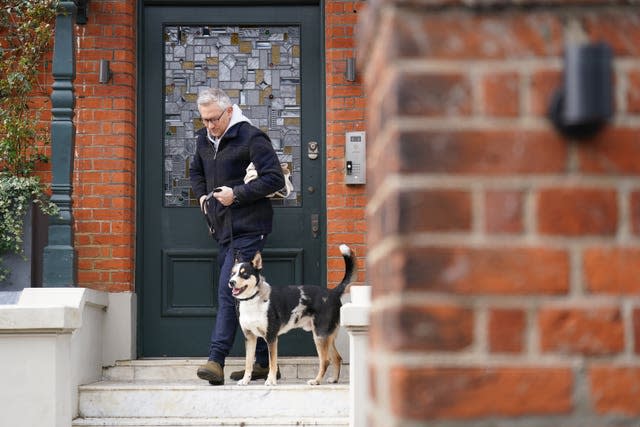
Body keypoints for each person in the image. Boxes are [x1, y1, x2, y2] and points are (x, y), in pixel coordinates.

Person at [189, 87, 285, 385]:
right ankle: (261, 364)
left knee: (228, 290)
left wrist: (237, 195)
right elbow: (196, 172)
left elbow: (274, 179)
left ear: (229, 112)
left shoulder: (251, 137)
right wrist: (204, 197)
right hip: (223, 231)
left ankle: (215, 360)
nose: (209, 126)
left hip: (250, 227)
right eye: (204, 120)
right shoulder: (204, 140)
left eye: (213, 119)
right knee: (249, 295)